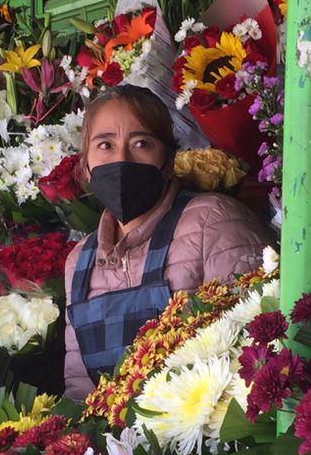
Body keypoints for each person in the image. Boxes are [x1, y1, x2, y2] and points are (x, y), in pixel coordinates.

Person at [63, 85, 273, 399]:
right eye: (105, 145)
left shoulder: (211, 221)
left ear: (169, 158)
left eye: (141, 143)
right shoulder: (79, 263)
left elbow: (258, 345)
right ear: (86, 166)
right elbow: (80, 387)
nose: (122, 159)